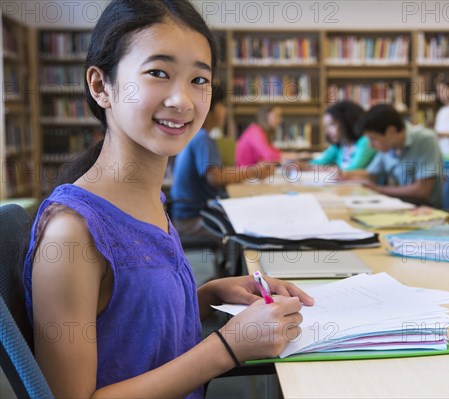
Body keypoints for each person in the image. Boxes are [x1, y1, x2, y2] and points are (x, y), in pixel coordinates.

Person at [20, 1, 313, 398]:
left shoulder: (148, 198)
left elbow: (127, 327)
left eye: (199, 80)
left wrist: (206, 298)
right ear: (100, 86)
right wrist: (228, 346)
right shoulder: (72, 234)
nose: (183, 101)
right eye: (158, 73)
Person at [170, 84, 273, 236]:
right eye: (222, 105)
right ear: (209, 107)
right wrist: (255, 171)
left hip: (187, 214)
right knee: (252, 221)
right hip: (193, 219)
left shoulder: (196, 136)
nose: (225, 111)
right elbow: (215, 177)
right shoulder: (203, 139)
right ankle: (238, 260)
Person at [344, 104, 444, 208]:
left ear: (391, 131)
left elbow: (422, 191)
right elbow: (370, 174)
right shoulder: (389, 146)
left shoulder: (425, 140)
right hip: (402, 205)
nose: (370, 145)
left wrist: (378, 189)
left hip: (425, 209)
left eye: (373, 139)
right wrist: (344, 175)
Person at [309, 101, 376, 171]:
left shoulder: (366, 142)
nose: (327, 132)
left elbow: (353, 170)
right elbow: (318, 162)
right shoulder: (340, 145)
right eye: (326, 127)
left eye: (332, 124)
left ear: (346, 121)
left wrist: (327, 169)